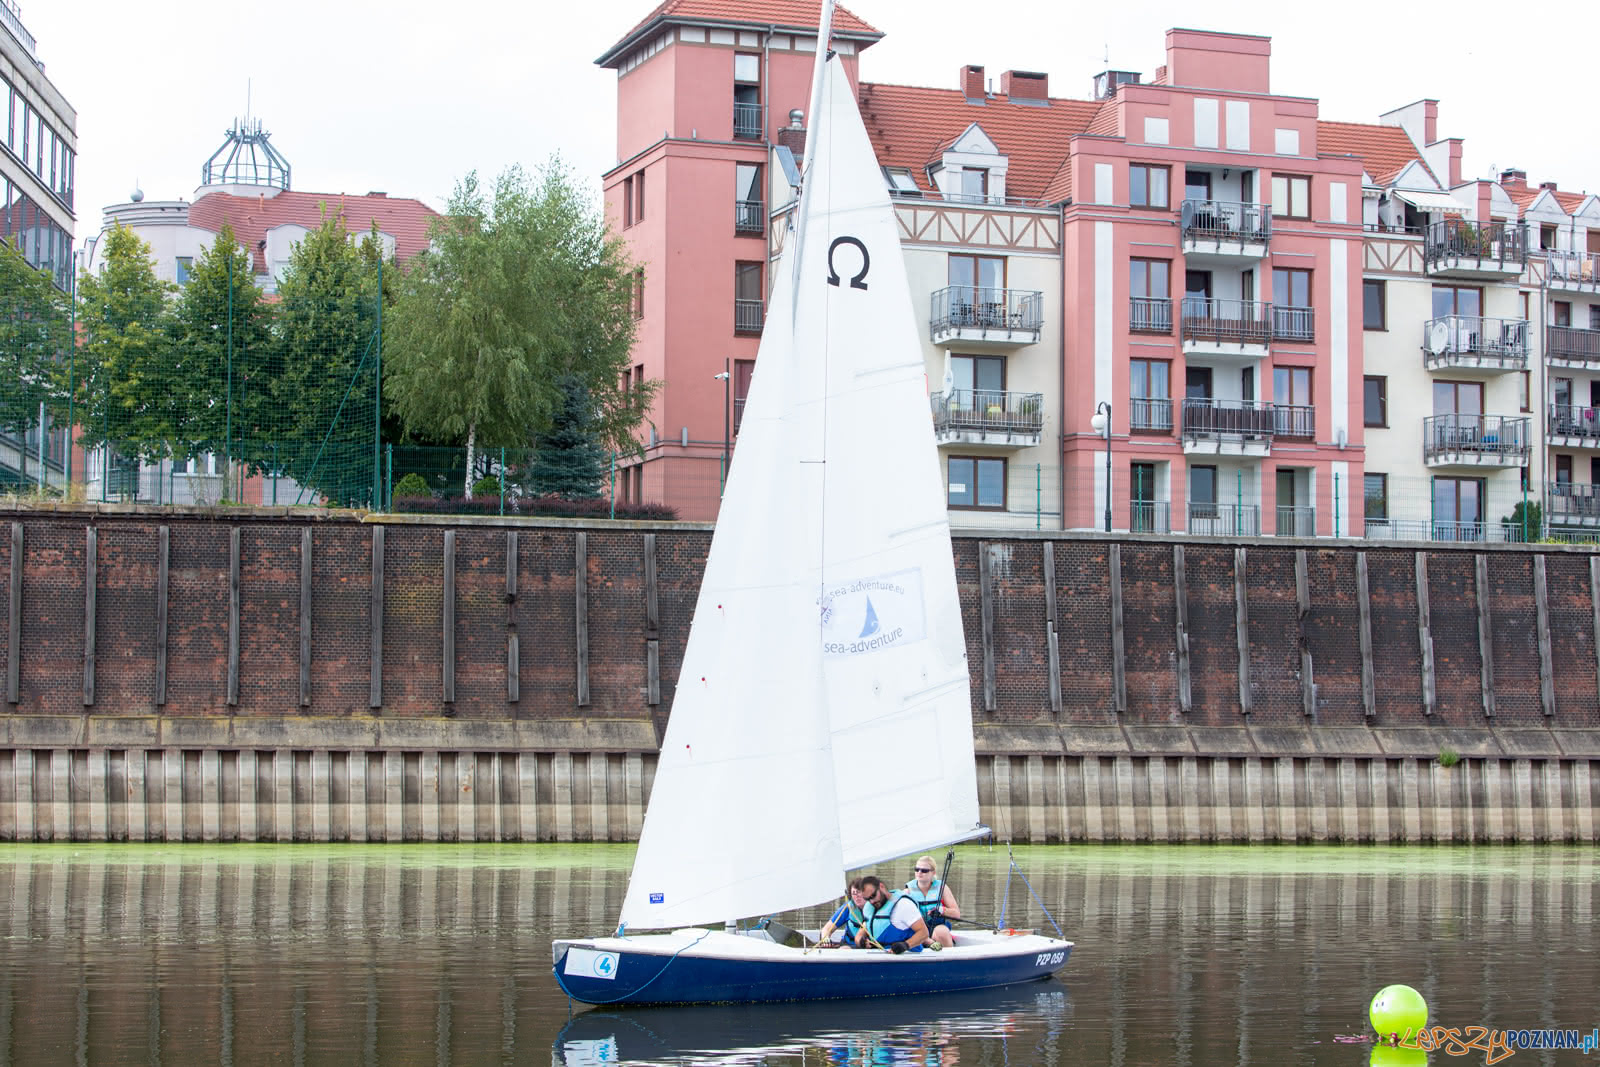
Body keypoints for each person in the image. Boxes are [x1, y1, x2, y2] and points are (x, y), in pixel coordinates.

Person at [855, 875, 931, 953]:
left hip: (905, 954)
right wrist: (861, 942)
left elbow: (924, 933)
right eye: (867, 899)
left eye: (873, 896)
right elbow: (859, 935)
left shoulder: (903, 904)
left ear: (881, 887)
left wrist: (905, 945)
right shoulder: (870, 908)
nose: (872, 901)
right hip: (879, 954)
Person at [904, 855, 961, 948]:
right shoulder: (907, 892)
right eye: (917, 869)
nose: (919, 872)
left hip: (938, 926)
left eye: (924, 870)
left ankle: (946, 954)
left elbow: (956, 914)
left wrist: (942, 910)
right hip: (917, 929)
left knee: (941, 932)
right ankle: (928, 942)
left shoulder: (942, 888)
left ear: (933, 872)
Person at [818, 878, 869, 945]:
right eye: (854, 893)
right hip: (849, 945)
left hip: (871, 946)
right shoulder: (847, 908)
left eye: (859, 892)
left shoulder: (875, 907)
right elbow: (826, 929)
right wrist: (826, 940)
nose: (857, 896)